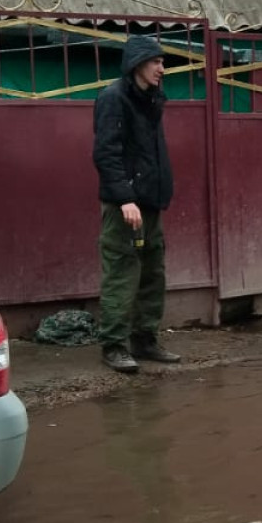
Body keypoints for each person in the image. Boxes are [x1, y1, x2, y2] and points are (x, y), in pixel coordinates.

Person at [92, 34, 183, 375]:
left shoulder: (151, 99)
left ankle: (145, 339)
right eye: (157, 62)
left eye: (162, 62)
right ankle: (114, 345)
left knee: (152, 272)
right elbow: (106, 153)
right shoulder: (114, 99)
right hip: (125, 206)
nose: (162, 68)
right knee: (121, 271)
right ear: (138, 64)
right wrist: (124, 197)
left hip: (150, 202)